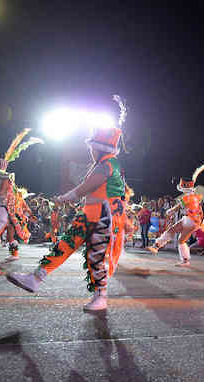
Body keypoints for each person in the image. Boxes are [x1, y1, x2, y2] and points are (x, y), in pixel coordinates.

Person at [7, 95, 128, 311]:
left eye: (92, 146)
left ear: (99, 148)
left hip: (100, 217)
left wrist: (64, 198)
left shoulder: (107, 164)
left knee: (87, 253)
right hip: (96, 215)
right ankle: (38, 278)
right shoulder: (108, 164)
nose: (90, 150)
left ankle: (99, 296)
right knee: (74, 249)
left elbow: (85, 188)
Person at [150, 163, 204, 266]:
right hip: (190, 219)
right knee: (172, 230)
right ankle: (156, 246)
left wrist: (170, 211)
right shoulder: (193, 196)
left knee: (181, 240)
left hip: (192, 222)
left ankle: (185, 260)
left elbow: (177, 207)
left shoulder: (188, 197)